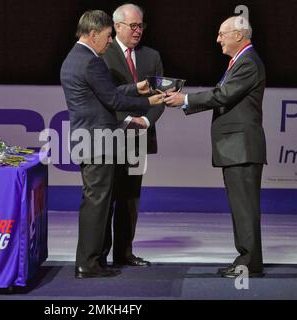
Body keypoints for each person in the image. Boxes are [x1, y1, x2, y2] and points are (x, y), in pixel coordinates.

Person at [60, 10, 165, 278]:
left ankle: (92, 259)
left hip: (90, 140)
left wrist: (135, 89)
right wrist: (148, 101)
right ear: (93, 34)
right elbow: (113, 101)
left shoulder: (74, 58)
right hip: (99, 141)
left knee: (96, 202)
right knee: (97, 204)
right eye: (108, 36)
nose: (109, 42)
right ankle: (88, 263)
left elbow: (107, 92)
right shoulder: (91, 61)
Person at [165, 15, 266, 278]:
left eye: (222, 34)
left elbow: (223, 95)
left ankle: (249, 263)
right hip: (236, 147)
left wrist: (185, 99)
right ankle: (248, 259)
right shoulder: (240, 62)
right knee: (242, 207)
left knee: (244, 208)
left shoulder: (248, 63)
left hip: (241, 147)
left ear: (239, 35)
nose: (217, 39)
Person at [101, 3, 164, 267]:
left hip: (139, 138)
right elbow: (102, 97)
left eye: (141, 25)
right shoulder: (102, 53)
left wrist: (146, 121)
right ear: (117, 26)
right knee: (106, 199)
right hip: (110, 137)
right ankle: (100, 255)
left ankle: (124, 253)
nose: (139, 31)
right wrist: (127, 119)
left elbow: (159, 98)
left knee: (130, 199)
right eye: (133, 26)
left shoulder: (152, 56)